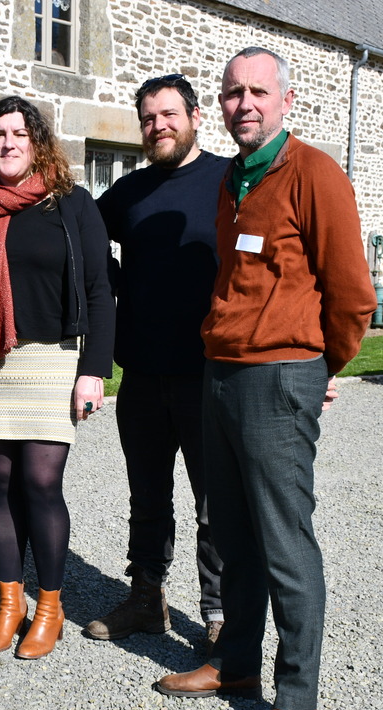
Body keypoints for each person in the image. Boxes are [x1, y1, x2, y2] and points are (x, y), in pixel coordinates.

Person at [152, 48, 376, 710]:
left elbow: (352, 296)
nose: (242, 103)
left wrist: (315, 369)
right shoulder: (232, 180)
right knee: (231, 531)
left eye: (256, 92)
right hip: (222, 371)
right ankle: (237, 659)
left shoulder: (314, 173)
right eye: (231, 93)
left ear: (286, 99)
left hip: (278, 376)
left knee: (284, 540)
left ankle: (297, 698)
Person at [0, 96, 115, 660]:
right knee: (0, 484)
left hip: (52, 359)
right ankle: (10, 604)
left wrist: (94, 372)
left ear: (37, 142)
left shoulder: (71, 205)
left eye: (19, 133)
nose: (7, 144)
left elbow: (99, 291)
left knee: (40, 482)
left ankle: (51, 606)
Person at [87, 73, 228, 652]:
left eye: (168, 114)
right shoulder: (129, 191)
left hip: (209, 371)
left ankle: (219, 614)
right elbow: (83, 240)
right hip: (142, 370)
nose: (158, 126)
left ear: (195, 115)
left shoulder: (227, 180)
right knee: (147, 495)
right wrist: (117, 280)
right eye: (147, 118)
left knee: (214, 500)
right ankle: (146, 597)